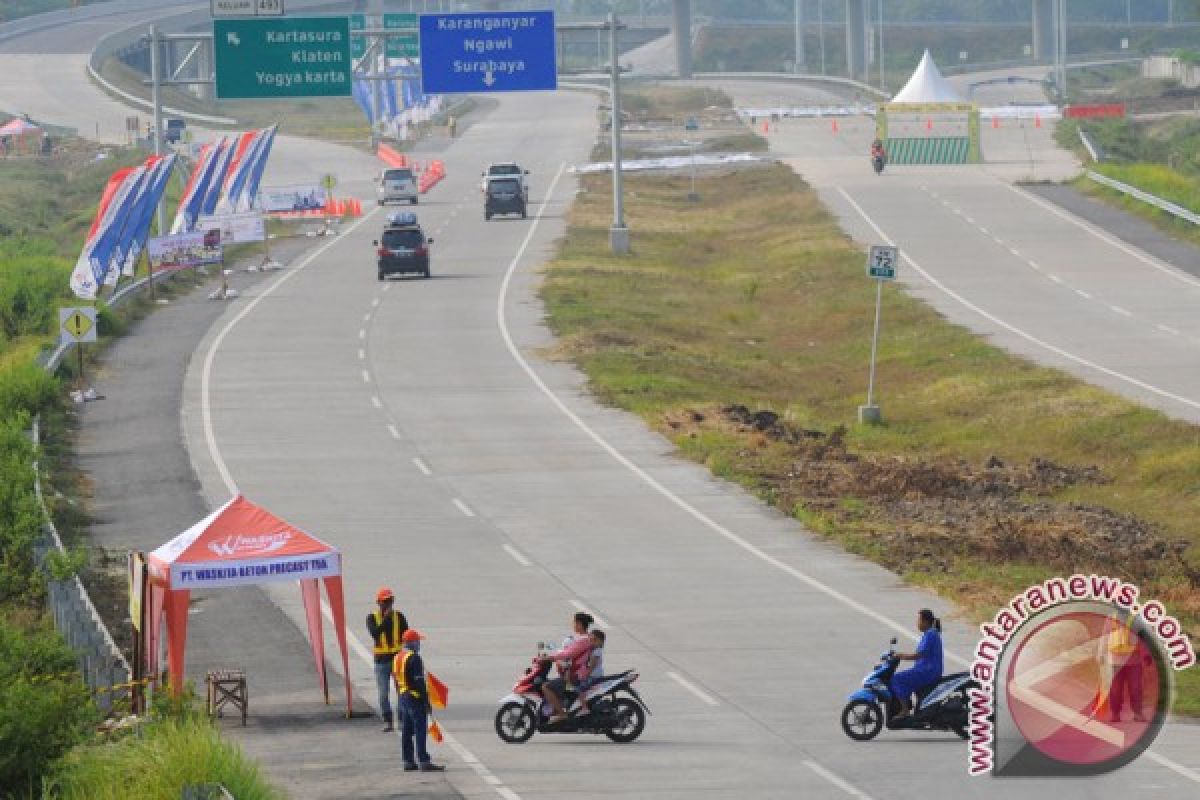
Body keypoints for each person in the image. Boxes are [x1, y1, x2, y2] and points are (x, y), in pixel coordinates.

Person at [393, 629, 445, 772]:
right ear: (413, 642)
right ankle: (424, 760)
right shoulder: (414, 658)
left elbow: (396, 680)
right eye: (418, 641)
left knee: (406, 730)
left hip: (403, 697)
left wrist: (400, 696)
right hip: (415, 697)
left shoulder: (398, 657)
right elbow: (419, 682)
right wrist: (426, 701)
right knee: (420, 730)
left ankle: (408, 760)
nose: (419, 644)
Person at [540, 612, 594, 724]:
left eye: (574, 622)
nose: (573, 625)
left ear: (579, 624)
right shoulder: (584, 638)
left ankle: (561, 713)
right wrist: (552, 657)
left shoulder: (583, 640)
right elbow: (566, 652)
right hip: (575, 672)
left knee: (546, 687)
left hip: (576, 674)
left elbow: (568, 654)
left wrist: (550, 658)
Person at [366, 587, 408, 732]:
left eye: (390, 601)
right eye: (385, 601)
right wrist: (386, 619)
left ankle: (402, 720)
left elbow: (406, 636)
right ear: (379, 602)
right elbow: (375, 634)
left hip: (397, 659)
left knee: (401, 691)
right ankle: (388, 720)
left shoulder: (400, 617)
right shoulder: (372, 618)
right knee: (383, 693)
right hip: (381, 661)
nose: (388, 604)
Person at [891, 609, 944, 718]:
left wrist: (900, 655)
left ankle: (905, 710)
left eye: (918, 620)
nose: (917, 623)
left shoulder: (931, 635)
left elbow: (918, 655)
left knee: (896, 679)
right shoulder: (929, 634)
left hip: (928, 671)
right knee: (906, 678)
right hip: (925, 670)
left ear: (925, 621)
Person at [1102, 612, 1145, 723]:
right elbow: (1105, 637)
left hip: (1134, 661)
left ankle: (1138, 713)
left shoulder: (1137, 618)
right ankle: (1115, 713)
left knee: (1135, 688)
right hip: (1115, 662)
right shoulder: (1111, 618)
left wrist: (1146, 655)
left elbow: (1144, 639)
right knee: (1115, 690)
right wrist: (1102, 654)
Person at [577, 629, 606, 713]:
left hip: (594, 676)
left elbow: (592, 667)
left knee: (580, 688)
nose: (592, 642)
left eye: (595, 640)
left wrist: (585, 676)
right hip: (594, 675)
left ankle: (584, 708)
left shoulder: (597, 652)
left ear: (601, 642)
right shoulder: (593, 650)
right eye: (590, 639)